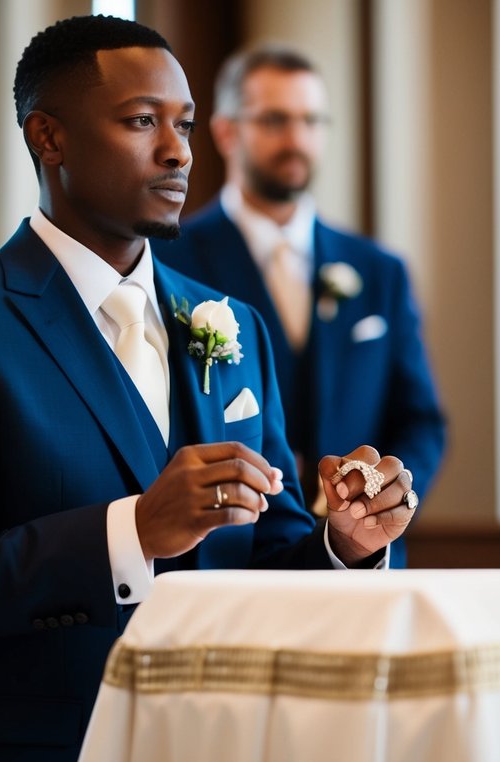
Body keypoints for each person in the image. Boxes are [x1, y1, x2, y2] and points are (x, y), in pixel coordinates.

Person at [0, 16, 416, 762]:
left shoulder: (232, 324)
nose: (180, 153)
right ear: (49, 136)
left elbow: (270, 555)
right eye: (142, 121)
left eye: (183, 125)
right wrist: (133, 532)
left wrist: (345, 545)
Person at [153, 45, 445, 568]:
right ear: (225, 132)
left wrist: (383, 496)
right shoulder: (171, 262)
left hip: (365, 560)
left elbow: (420, 419)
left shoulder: (379, 271)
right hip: (234, 558)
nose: (297, 139)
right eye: (275, 120)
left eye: (312, 121)